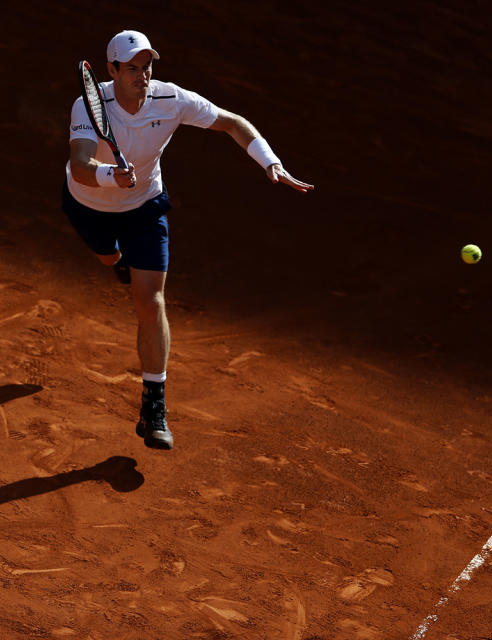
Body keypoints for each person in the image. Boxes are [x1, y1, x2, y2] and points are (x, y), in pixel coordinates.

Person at [63, 29, 313, 451]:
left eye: (147, 67)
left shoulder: (171, 98)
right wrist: (110, 176)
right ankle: (117, 262)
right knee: (108, 259)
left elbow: (231, 123)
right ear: (111, 71)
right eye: (131, 68)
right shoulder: (89, 103)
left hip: (145, 207)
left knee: (151, 301)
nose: (142, 75)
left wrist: (269, 161)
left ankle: (154, 405)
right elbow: (81, 162)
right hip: (89, 205)